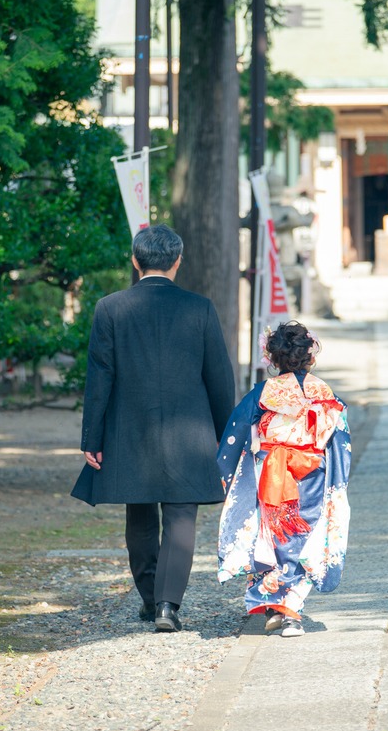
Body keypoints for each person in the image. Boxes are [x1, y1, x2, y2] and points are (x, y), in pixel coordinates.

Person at [72, 224, 235, 633]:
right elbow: (219, 377)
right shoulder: (200, 308)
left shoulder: (110, 308)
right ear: (177, 261)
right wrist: (226, 433)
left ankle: (149, 599)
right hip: (191, 432)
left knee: (139, 513)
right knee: (182, 515)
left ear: (135, 260)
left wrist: (91, 438)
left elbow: (100, 378)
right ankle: (167, 606)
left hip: (130, 429)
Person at [216, 322, 352, 637]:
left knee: (271, 536)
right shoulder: (325, 393)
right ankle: (291, 611)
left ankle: (279, 607)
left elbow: (234, 436)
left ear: (273, 359)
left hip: (271, 472)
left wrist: (225, 474)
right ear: (310, 357)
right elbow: (340, 441)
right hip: (312, 472)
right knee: (304, 536)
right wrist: (339, 483)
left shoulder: (263, 393)